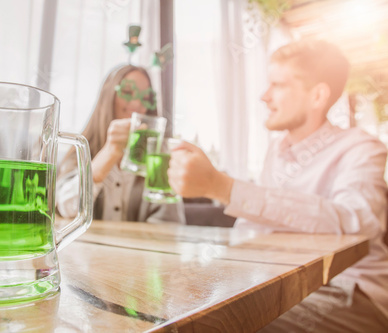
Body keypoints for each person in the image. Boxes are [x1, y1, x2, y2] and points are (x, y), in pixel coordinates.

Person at [168, 40, 388, 331]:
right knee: (176, 305)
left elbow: (356, 222)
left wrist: (223, 187)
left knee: (214, 324)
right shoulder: (276, 152)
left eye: (277, 85)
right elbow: (257, 232)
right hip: (279, 283)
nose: (264, 96)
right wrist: (211, 273)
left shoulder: (361, 148)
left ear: (318, 95)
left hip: (350, 291)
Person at [57, 64, 185, 224]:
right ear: (108, 97)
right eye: (127, 92)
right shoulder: (81, 149)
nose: (137, 104)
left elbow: (170, 223)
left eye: (145, 98)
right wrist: (109, 153)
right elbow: (65, 209)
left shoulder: (157, 158)